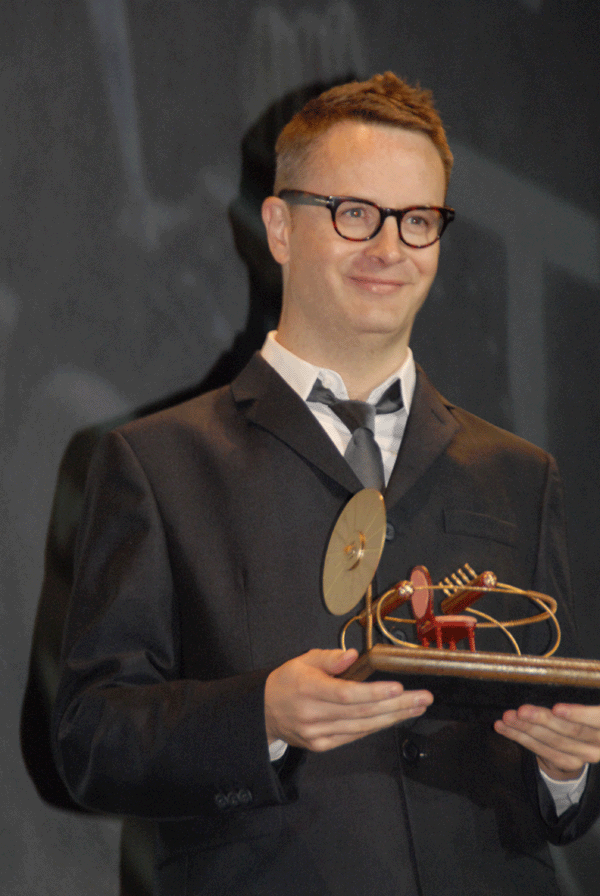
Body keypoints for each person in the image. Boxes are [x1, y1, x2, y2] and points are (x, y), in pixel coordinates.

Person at [52, 73, 600, 896]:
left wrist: (568, 770)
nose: (389, 249)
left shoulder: (521, 475)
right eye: (354, 213)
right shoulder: (156, 462)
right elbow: (90, 740)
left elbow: (560, 790)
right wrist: (260, 714)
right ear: (277, 226)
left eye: (418, 220)